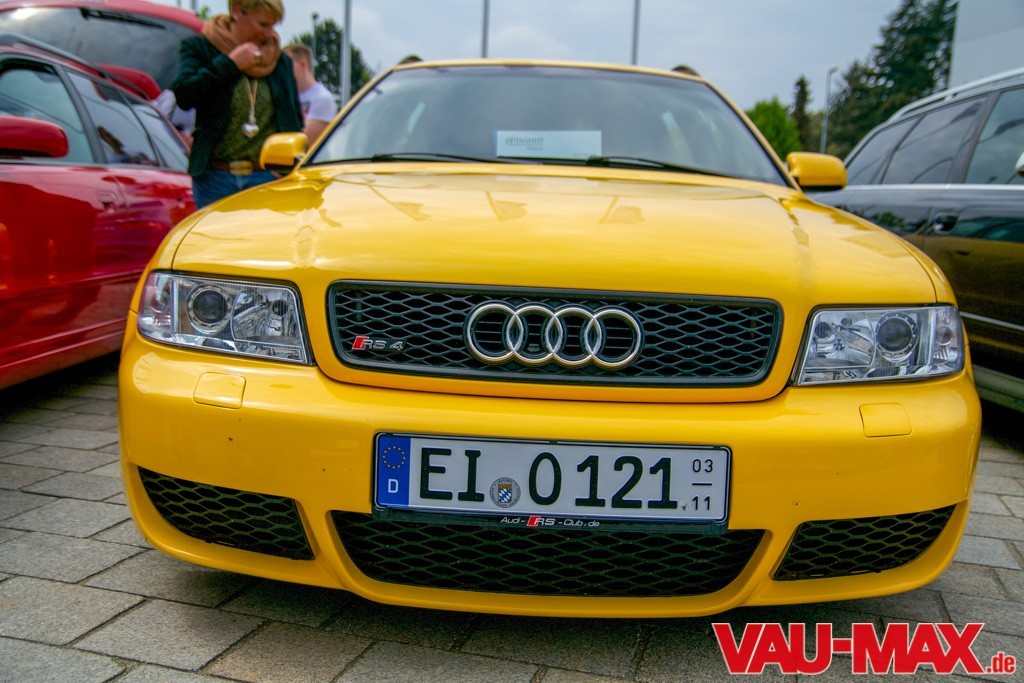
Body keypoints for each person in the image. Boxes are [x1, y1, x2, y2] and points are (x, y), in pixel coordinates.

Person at [170, 0, 303, 208]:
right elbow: (185, 96)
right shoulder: (200, 48)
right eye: (263, 24)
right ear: (237, 11)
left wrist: (285, 169)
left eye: (273, 26)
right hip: (215, 180)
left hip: (266, 178)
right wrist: (231, 64)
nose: (270, 34)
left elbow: (294, 119)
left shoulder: (280, 61)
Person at [282, 42, 337, 144]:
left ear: (303, 65)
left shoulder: (322, 98)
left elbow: (304, 141)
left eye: (286, 66)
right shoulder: (285, 97)